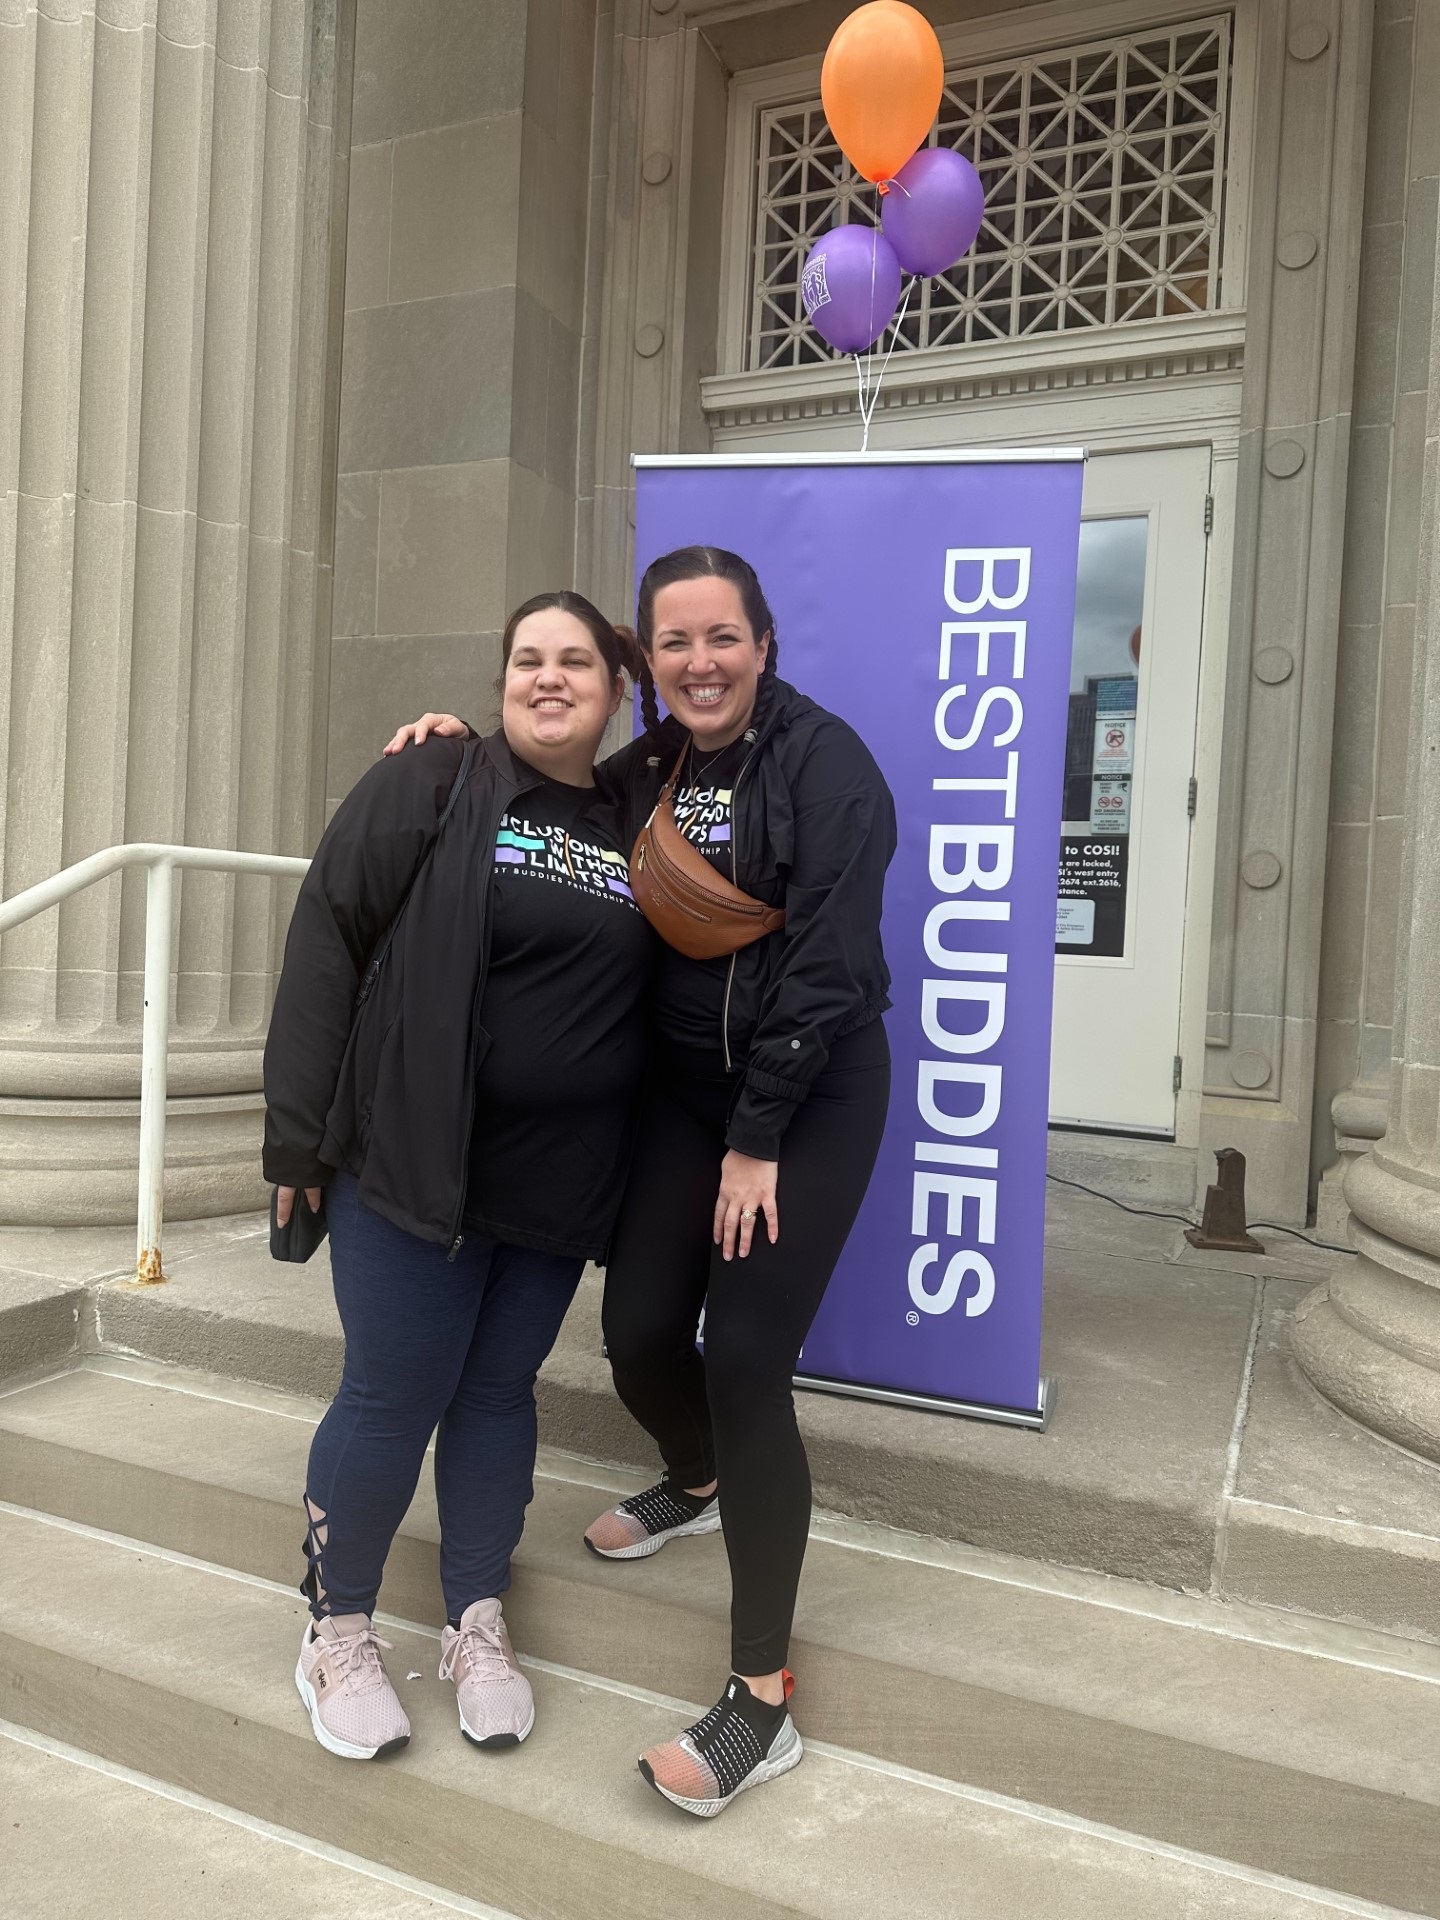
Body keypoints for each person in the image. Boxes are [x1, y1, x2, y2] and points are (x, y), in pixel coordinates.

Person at [387, 546, 896, 1816]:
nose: (699, 663)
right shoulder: (650, 767)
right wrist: (455, 742)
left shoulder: (828, 766)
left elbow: (831, 968)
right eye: (672, 644)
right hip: (683, 1096)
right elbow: (540, 776)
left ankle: (761, 1698)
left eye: (721, 638)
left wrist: (760, 1133)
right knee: (635, 1333)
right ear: (646, 665)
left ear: (763, 645)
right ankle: (698, 1474)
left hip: (807, 1095)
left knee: (745, 1360)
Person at [264, 592, 652, 1762]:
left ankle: (476, 1618)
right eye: (526, 659)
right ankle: (337, 1626)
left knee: (496, 1397)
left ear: (614, 688)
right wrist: (297, 1140)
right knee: (393, 1394)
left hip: (556, 1186)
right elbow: (327, 933)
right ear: (497, 685)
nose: (548, 677)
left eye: (575, 660)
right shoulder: (432, 780)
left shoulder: (642, 814)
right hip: (412, 1167)